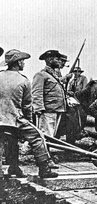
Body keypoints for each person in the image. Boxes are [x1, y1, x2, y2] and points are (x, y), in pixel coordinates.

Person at [0, 49, 58, 178]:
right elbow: (27, 106)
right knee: (38, 137)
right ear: (18, 62)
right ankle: (44, 169)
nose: (24, 64)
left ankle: (14, 168)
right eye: (23, 61)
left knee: (10, 140)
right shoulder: (23, 80)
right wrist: (29, 122)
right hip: (14, 119)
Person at [32, 50, 68, 139]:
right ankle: (42, 152)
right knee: (45, 136)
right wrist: (39, 109)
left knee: (50, 136)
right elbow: (37, 93)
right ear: (50, 59)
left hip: (56, 110)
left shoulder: (53, 76)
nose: (60, 61)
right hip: (47, 111)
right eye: (57, 59)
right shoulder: (41, 75)